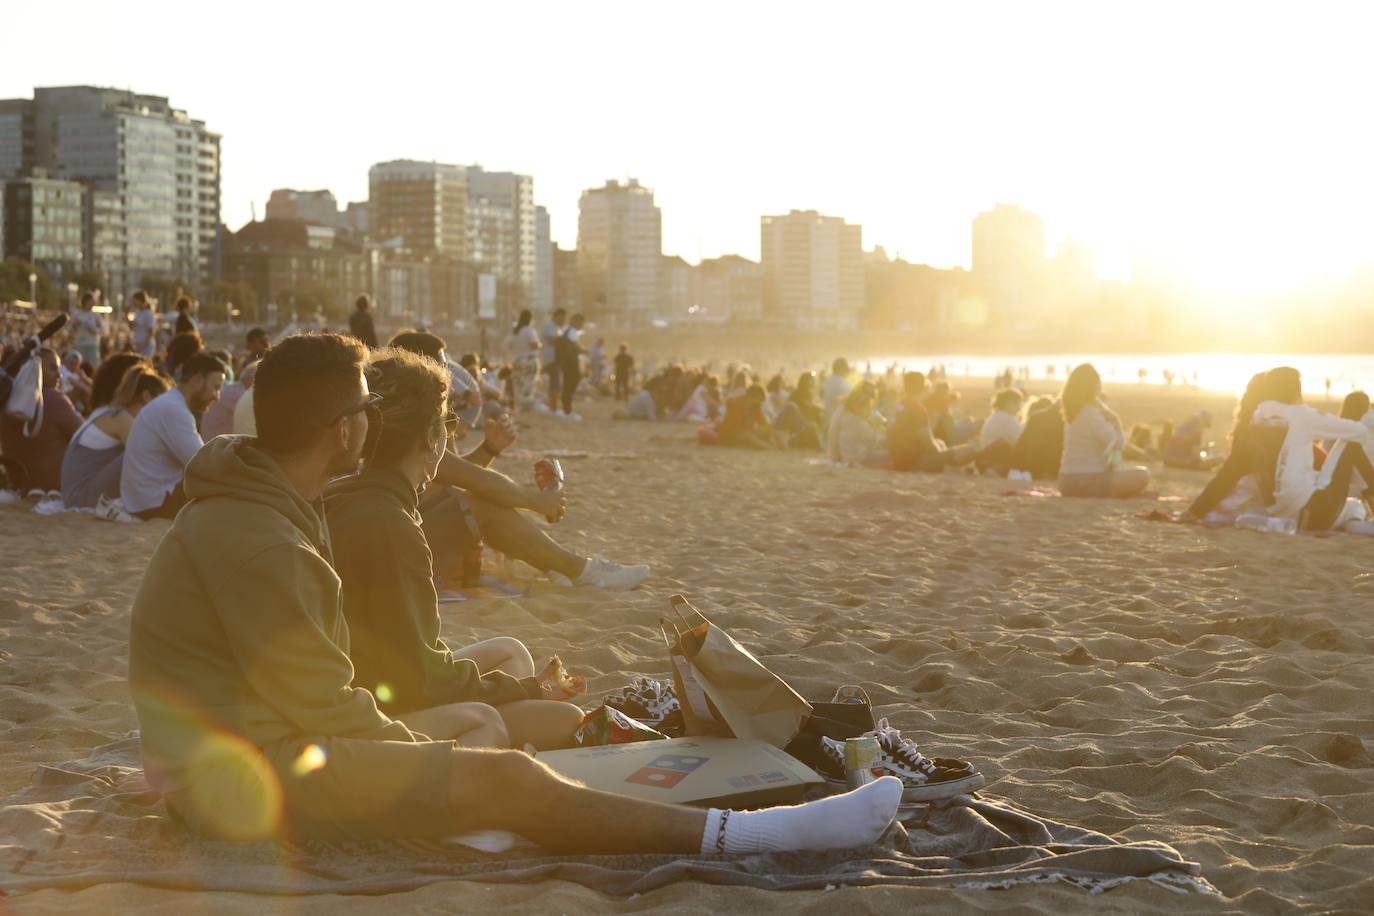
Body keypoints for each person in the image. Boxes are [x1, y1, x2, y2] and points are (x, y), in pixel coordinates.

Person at [128, 332, 904, 846]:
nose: (373, 420)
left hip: (246, 754)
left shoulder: (261, 505)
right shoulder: (265, 538)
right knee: (505, 774)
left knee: (491, 755)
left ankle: (482, 799)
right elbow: (330, 707)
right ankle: (764, 837)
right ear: (345, 429)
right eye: (366, 407)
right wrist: (445, 766)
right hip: (239, 782)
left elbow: (320, 684)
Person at [327, 348, 583, 748]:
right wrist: (528, 688)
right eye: (447, 424)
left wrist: (518, 688)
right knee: (565, 720)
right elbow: (418, 679)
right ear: (432, 439)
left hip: (368, 678)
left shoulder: (346, 493)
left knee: (510, 651)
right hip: (377, 702)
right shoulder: (392, 526)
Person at [1250, 367, 1374, 531]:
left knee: (1349, 504)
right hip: (1313, 510)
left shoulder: (1257, 417)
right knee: (1351, 445)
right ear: (1296, 390)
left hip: (1280, 514)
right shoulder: (1300, 415)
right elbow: (1358, 431)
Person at [120, 352, 225, 519]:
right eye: (216, 387)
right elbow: (204, 464)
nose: (217, 396)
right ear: (197, 381)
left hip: (144, 500)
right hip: (155, 503)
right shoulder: (173, 409)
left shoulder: (170, 404)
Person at [60, 364, 168, 509]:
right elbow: (149, 460)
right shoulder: (121, 418)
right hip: (81, 498)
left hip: (76, 495)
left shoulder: (108, 412)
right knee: (143, 453)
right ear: (146, 396)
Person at [1058, 364, 1150, 498]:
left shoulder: (1072, 413)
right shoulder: (1090, 413)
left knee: (1119, 470)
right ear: (1093, 387)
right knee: (1143, 474)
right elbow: (1117, 445)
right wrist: (1117, 422)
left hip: (1065, 481)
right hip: (1086, 481)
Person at [0, 347, 83, 493]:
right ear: (34, 368)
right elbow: (85, 437)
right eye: (52, 368)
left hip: (18, 487)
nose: (59, 375)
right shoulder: (54, 398)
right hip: (53, 489)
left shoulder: (6, 399)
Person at [886, 372, 976, 473]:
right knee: (969, 450)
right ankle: (949, 467)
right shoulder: (917, 409)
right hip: (912, 462)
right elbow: (929, 443)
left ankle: (948, 465)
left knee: (940, 442)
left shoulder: (900, 405)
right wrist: (942, 455)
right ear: (923, 388)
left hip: (897, 457)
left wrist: (941, 448)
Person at [827, 382, 889, 466]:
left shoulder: (847, 409)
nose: (868, 397)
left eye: (871, 395)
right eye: (866, 392)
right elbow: (872, 439)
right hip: (847, 457)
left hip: (845, 455)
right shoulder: (851, 416)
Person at [1010, 397, 1064, 480]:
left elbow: (1021, 447)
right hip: (1056, 470)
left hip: (1034, 470)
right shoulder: (1067, 420)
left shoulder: (1036, 417)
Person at [202, 361, 256, 440]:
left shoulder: (231, 389)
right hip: (216, 443)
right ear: (252, 379)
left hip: (210, 439)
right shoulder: (240, 395)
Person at [716, 384, 774, 449]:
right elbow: (734, 425)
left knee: (767, 431)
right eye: (759, 399)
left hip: (746, 434)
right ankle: (766, 447)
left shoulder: (755, 406)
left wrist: (770, 428)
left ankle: (770, 445)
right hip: (731, 434)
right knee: (747, 434)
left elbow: (762, 422)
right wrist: (751, 432)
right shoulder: (736, 403)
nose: (760, 402)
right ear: (753, 397)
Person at [506, 309, 540, 410]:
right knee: (529, 384)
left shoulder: (514, 331)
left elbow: (508, 345)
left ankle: (518, 406)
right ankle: (526, 407)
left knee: (518, 384)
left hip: (516, 361)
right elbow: (534, 344)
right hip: (529, 361)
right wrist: (540, 345)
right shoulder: (529, 330)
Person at [555, 313, 585, 419]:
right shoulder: (572, 331)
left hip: (566, 362)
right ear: (576, 321)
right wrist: (585, 351)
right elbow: (575, 346)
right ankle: (567, 411)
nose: (581, 326)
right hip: (571, 362)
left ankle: (566, 410)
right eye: (581, 323)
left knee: (568, 384)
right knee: (571, 383)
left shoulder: (566, 330)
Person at [540, 308, 567, 412]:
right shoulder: (549, 326)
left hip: (554, 359)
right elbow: (552, 340)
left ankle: (554, 406)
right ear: (557, 316)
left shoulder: (556, 327)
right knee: (555, 383)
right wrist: (565, 341)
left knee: (555, 383)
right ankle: (554, 407)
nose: (563, 320)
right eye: (562, 318)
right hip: (551, 359)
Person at [72, 292, 106, 367]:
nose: (93, 303)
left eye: (93, 301)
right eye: (91, 301)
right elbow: (71, 329)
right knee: (79, 364)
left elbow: (102, 329)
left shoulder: (96, 315)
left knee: (94, 364)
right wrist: (74, 325)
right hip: (80, 343)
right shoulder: (77, 314)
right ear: (85, 301)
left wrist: (94, 330)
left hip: (92, 344)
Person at [821, 358, 853, 426]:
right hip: (840, 424)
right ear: (841, 369)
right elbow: (852, 403)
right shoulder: (844, 383)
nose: (848, 370)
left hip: (829, 421)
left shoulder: (827, 382)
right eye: (846, 368)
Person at [129, 291, 157, 358]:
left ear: (139, 300)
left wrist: (142, 347)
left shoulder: (148, 313)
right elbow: (132, 328)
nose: (133, 302)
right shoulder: (137, 312)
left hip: (146, 346)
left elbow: (151, 332)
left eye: (134, 300)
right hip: (138, 345)